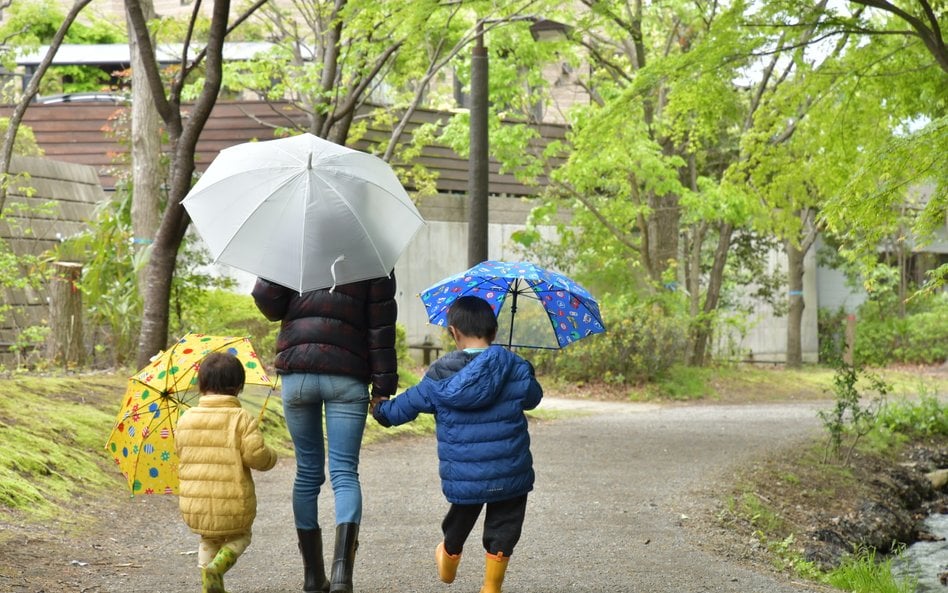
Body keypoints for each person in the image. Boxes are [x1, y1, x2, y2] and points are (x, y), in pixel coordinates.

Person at [372, 295, 543, 593]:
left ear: (454, 332)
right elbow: (533, 398)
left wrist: (380, 410)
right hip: (509, 471)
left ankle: (449, 559)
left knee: (460, 518)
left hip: (466, 475)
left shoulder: (440, 372)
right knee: (505, 526)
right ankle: (491, 587)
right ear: (494, 332)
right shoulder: (512, 366)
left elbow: (405, 407)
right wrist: (525, 370)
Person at [252, 273, 398, 593]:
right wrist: (383, 388)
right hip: (348, 374)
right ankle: (342, 574)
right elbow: (381, 329)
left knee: (307, 473)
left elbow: (267, 302)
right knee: (344, 473)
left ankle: (313, 576)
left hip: (298, 373)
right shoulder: (375, 256)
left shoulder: (297, 246)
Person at [175, 352, 278, 593]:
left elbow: (180, 450)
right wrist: (271, 456)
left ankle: (209, 584)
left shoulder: (186, 418)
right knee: (241, 536)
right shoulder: (241, 418)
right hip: (233, 502)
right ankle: (217, 567)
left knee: (208, 538)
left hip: (196, 503)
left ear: (201, 384)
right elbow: (256, 457)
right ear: (239, 386)